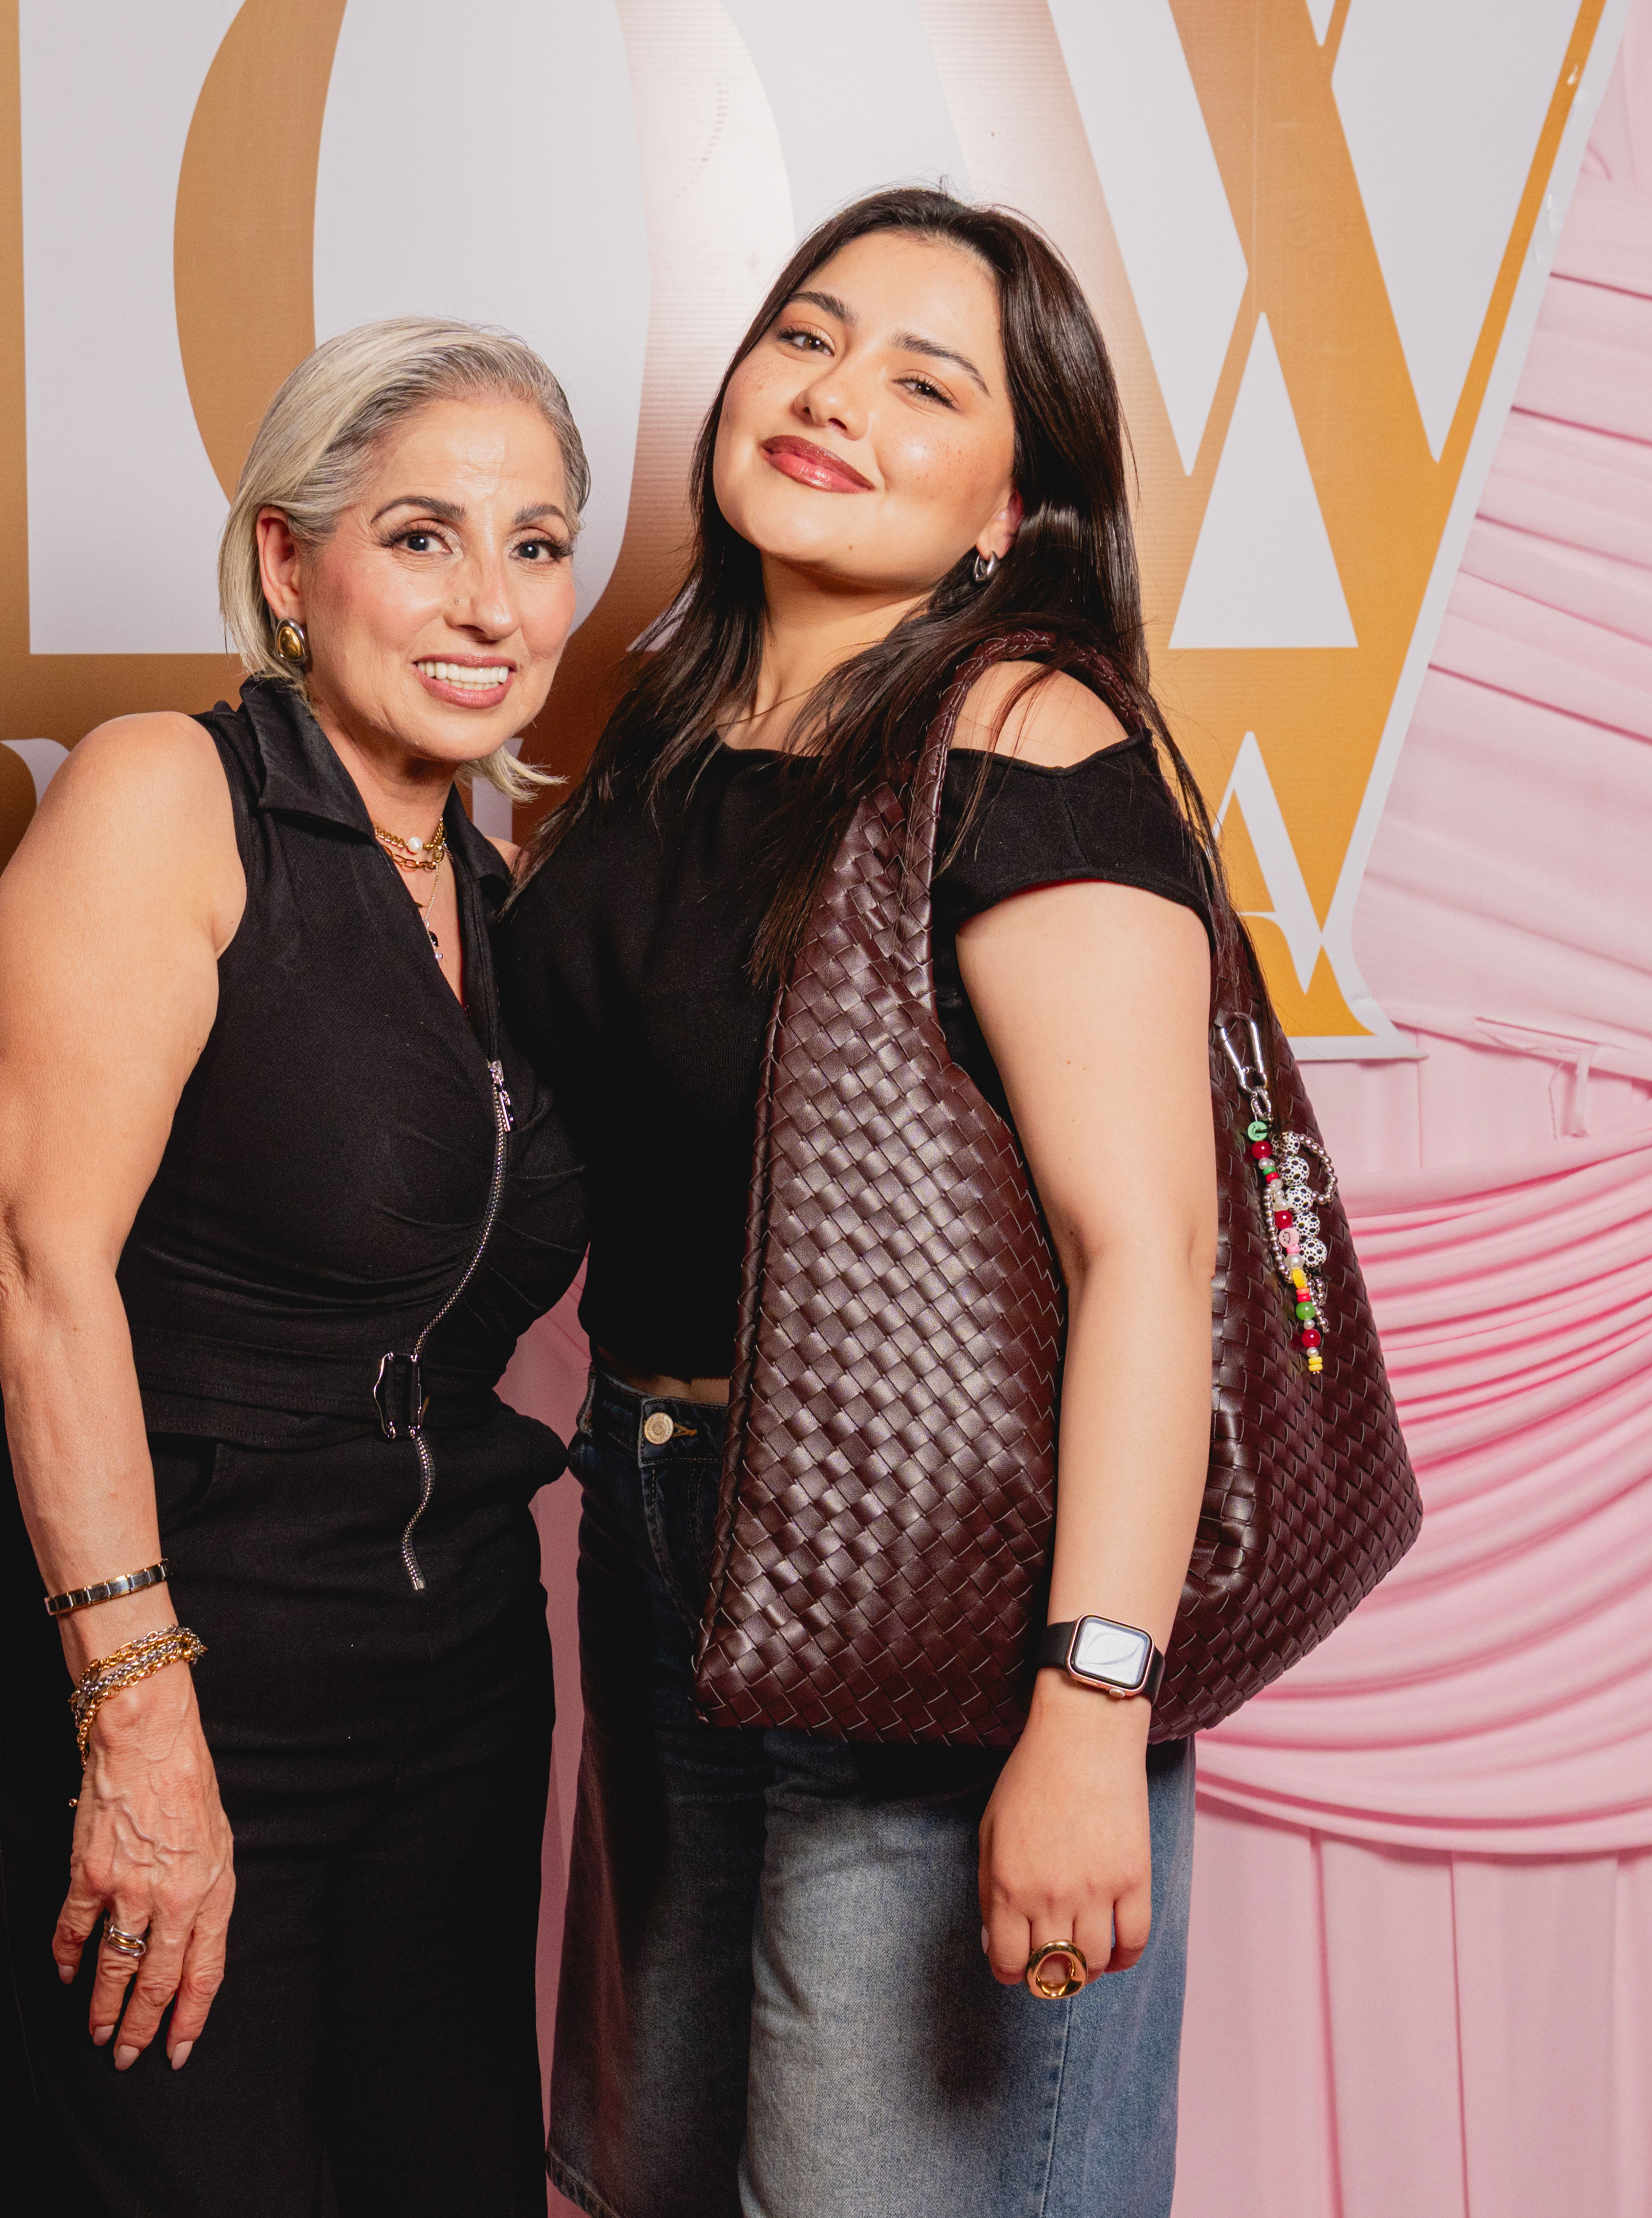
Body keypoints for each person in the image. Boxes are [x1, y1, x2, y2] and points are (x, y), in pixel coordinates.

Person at [497, 188, 1221, 2217]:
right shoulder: (661, 734)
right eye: (806, 337)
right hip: (661, 1538)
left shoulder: (1023, 735)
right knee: (654, 2178)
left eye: (926, 382)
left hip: (941, 1599)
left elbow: (1148, 1255)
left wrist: (1090, 1705)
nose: (831, 397)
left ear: (1013, 509)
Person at [0, 317, 593, 2217]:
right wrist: (138, 1715)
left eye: (536, 545)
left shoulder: (500, 896)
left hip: (454, 1680)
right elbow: (37, 1258)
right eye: (421, 535)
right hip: (168, 1659)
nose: (489, 604)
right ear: (289, 564)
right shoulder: (169, 794)